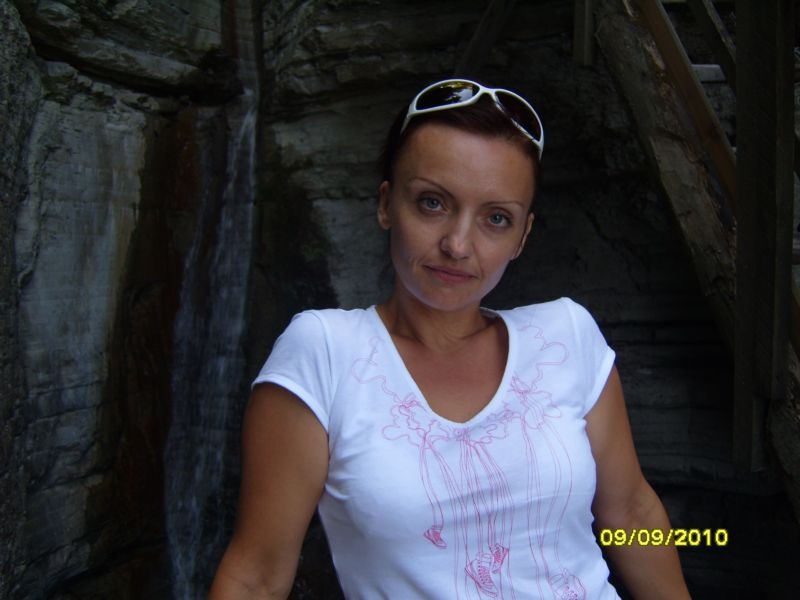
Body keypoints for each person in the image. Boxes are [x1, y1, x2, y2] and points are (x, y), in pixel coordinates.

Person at [209, 79, 691, 599]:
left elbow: (631, 512)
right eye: (433, 203)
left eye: (496, 218)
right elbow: (256, 577)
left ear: (522, 237)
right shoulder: (325, 353)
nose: (458, 245)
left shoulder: (566, 336)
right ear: (386, 204)